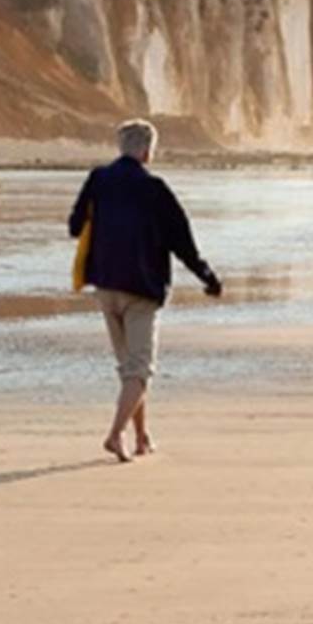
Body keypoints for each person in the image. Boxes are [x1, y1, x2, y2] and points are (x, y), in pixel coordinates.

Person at [69, 119, 223, 463]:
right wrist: (207, 277)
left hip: (105, 285)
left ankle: (141, 437)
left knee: (129, 367)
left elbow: (74, 226)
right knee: (139, 370)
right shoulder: (155, 188)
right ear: (146, 152)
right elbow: (182, 242)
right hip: (141, 288)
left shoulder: (97, 179)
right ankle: (115, 435)